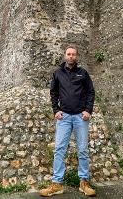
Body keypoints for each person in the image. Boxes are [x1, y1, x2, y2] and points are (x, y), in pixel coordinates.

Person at [39, 45, 96, 197]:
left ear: (76, 57)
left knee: (83, 150)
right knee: (59, 150)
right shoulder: (58, 73)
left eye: (73, 54)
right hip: (64, 117)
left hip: (80, 117)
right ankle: (57, 184)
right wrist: (56, 110)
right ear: (65, 56)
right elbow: (53, 92)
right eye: (68, 54)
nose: (71, 56)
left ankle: (84, 183)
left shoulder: (83, 73)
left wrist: (88, 110)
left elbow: (91, 92)